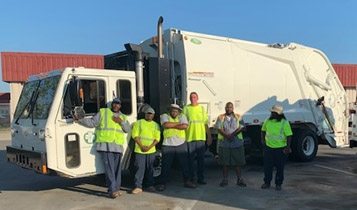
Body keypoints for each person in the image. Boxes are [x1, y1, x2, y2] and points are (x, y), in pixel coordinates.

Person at [76, 98, 130, 198]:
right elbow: (92, 123)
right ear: (112, 104)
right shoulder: (103, 112)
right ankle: (112, 190)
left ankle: (117, 189)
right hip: (106, 146)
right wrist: (80, 120)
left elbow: (127, 129)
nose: (116, 106)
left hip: (118, 146)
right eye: (114, 104)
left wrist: (120, 122)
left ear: (120, 106)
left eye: (118, 104)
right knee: (109, 169)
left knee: (117, 170)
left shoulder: (123, 117)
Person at [156, 104, 196, 191]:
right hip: (168, 145)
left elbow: (185, 126)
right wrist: (178, 124)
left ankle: (187, 181)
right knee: (165, 166)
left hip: (181, 144)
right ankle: (162, 183)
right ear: (170, 110)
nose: (174, 112)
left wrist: (172, 125)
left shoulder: (182, 116)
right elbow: (166, 125)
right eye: (173, 110)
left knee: (185, 165)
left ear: (178, 111)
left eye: (176, 111)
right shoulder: (164, 116)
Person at [182, 92, 212, 185]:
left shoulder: (202, 109)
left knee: (201, 161)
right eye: (191, 97)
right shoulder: (186, 109)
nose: (193, 99)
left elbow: (206, 124)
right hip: (190, 138)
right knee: (190, 161)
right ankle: (191, 178)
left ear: (197, 98)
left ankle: (201, 178)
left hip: (200, 138)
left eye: (194, 97)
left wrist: (209, 136)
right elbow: (183, 123)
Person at [261, 105, 293, 191]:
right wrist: (262, 140)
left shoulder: (284, 122)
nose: (272, 114)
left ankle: (278, 183)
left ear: (278, 114)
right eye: (272, 112)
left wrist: (287, 147)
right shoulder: (267, 121)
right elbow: (263, 130)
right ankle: (267, 182)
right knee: (268, 166)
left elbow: (289, 135)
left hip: (280, 148)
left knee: (280, 167)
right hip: (269, 147)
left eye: (273, 113)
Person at [215, 102, 247, 187]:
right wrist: (227, 135)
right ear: (225, 108)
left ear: (233, 108)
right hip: (224, 143)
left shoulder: (238, 116)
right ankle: (225, 179)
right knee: (224, 162)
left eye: (230, 107)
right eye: (227, 107)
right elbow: (218, 128)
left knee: (238, 162)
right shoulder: (221, 117)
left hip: (236, 142)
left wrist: (232, 135)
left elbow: (242, 127)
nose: (229, 109)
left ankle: (239, 179)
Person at [131, 107, 161, 194]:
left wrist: (150, 147)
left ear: (153, 115)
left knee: (150, 168)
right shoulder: (139, 123)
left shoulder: (156, 125)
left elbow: (157, 138)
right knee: (139, 168)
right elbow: (134, 135)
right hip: (140, 150)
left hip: (151, 150)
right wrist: (141, 146)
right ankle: (138, 186)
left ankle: (150, 185)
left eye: (151, 114)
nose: (149, 115)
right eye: (148, 113)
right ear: (145, 114)